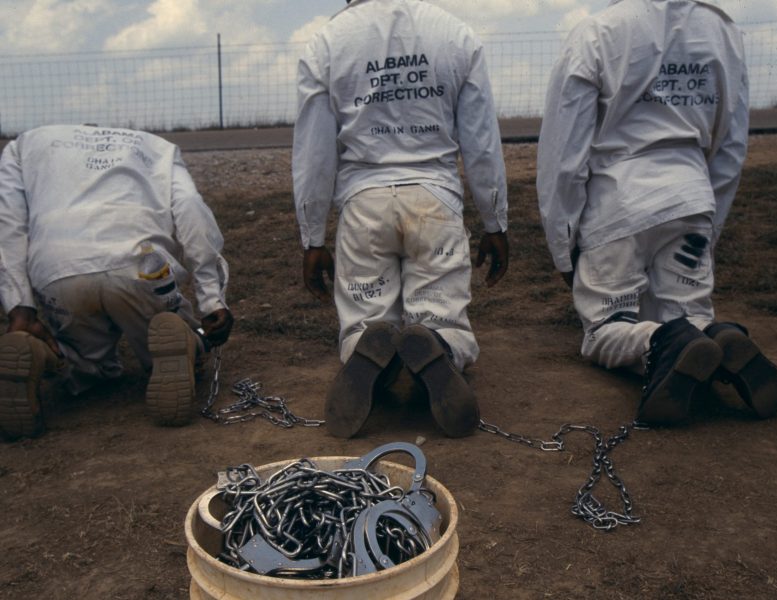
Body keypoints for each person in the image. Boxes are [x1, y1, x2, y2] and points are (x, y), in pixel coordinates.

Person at [536, 0, 777, 425]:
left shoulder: (598, 32)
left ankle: (664, 341)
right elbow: (730, 145)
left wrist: (563, 248)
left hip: (617, 205)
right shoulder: (722, 31)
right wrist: (709, 228)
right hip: (691, 195)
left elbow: (563, 155)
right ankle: (719, 340)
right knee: (687, 318)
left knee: (605, 330)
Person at [292, 0, 509, 438]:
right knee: (444, 319)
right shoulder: (454, 34)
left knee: (363, 322)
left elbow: (314, 152)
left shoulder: (326, 43)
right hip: (433, 201)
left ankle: (370, 353)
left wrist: (312, 237)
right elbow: (481, 140)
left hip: (364, 204)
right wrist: (494, 220)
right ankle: (438, 345)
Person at [0, 124, 234, 439]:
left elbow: (9, 224)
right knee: (170, 337)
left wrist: (19, 307)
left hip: (60, 269)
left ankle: (48, 358)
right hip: (140, 266)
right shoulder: (157, 147)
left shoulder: (24, 145)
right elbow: (191, 208)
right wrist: (211, 298)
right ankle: (184, 345)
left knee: (84, 366)